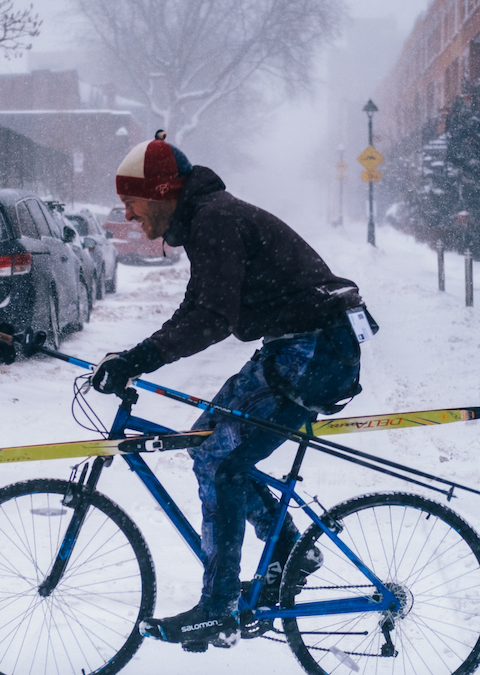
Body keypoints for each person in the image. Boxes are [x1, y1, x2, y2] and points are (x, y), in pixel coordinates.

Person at [91, 131, 377, 650]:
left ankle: (219, 608)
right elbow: (197, 307)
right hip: (301, 345)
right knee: (208, 443)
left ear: (160, 193)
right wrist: (134, 357)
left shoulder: (215, 219)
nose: (129, 216)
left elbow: (213, 319)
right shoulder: (207, 220)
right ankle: (291, 553)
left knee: (223, 462)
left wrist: (140, 360)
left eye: (131, 203)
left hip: (316, 350)